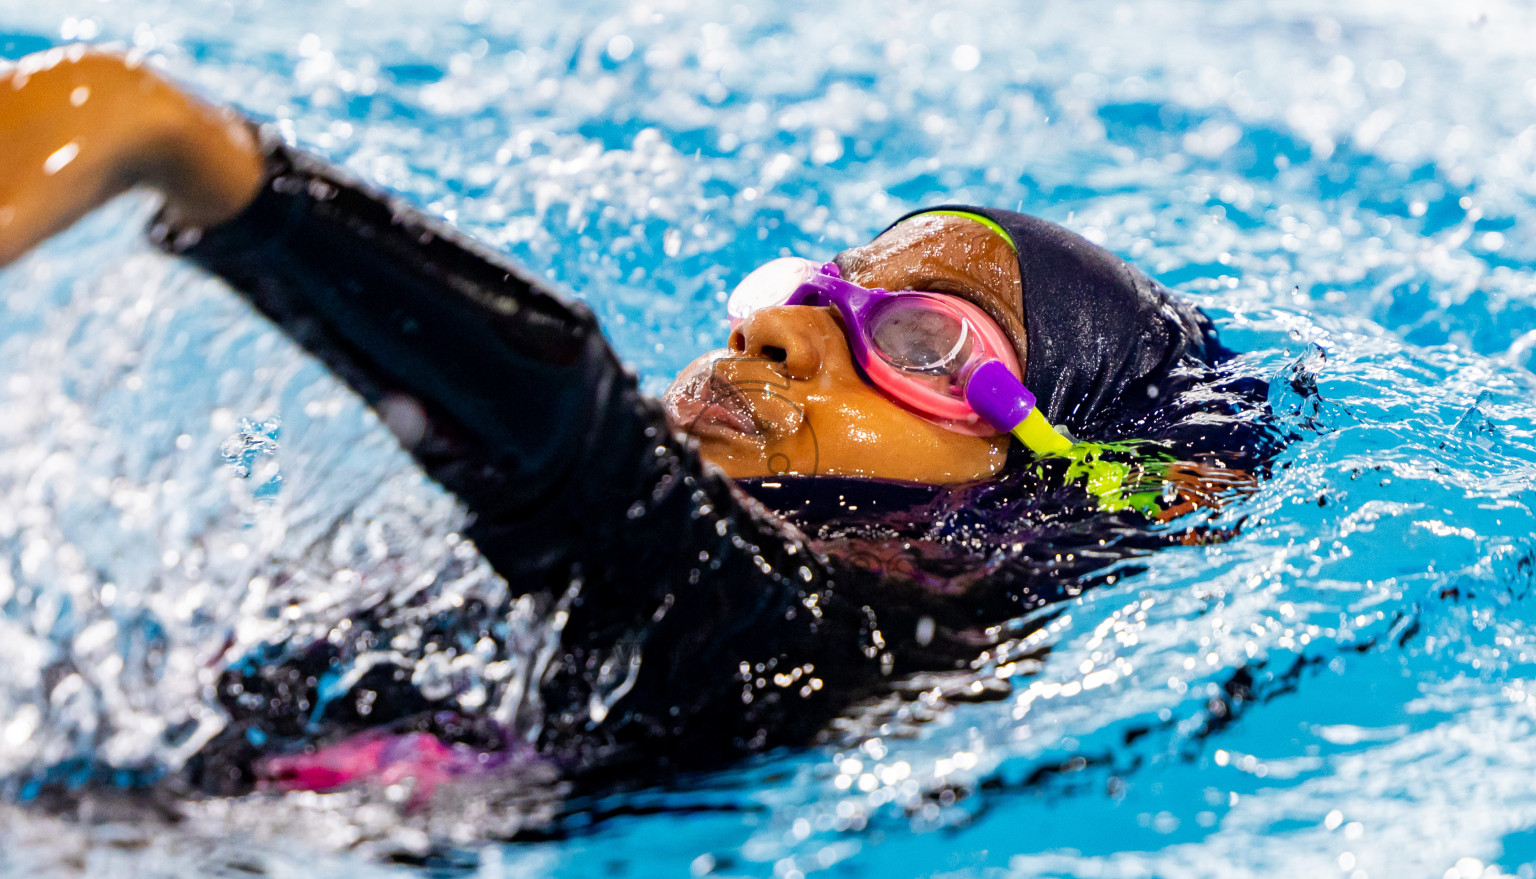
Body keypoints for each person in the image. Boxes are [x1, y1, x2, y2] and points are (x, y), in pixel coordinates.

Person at [0, 47, 1270, 796]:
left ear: (1061, 473)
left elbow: (582, 459)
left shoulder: (862, 647)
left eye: (922, 342)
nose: (778, 336)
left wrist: (193, 157)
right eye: (808, 293)